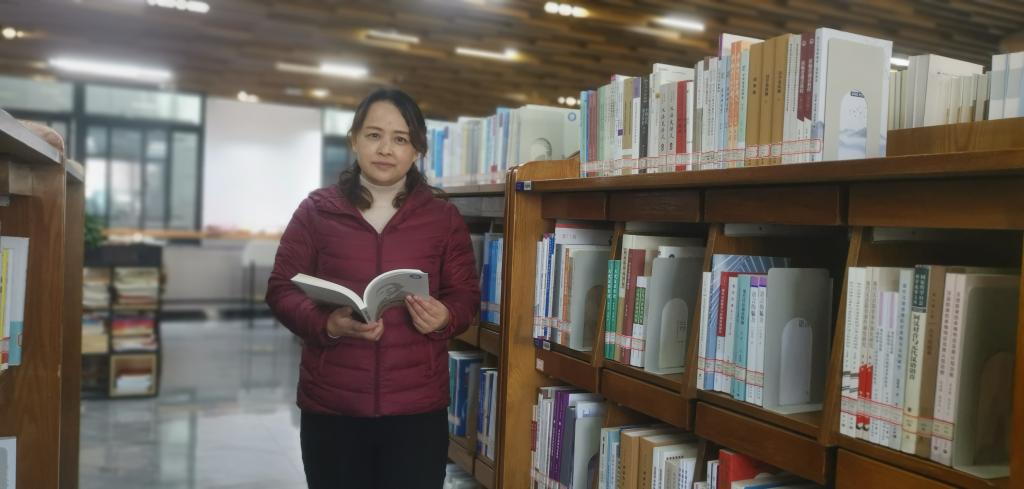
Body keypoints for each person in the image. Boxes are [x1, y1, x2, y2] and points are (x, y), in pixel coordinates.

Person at [266, 88, 480, 489]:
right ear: (354, 140)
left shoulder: (443, 218)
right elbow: (280, 289)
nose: (385, 149)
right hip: (333, 408)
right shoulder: (316, 211)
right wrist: (327, 324)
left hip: (416, 412)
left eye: (400, 139)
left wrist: (446, 316)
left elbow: (466, 296)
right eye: (374, 135)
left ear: (417, 150)